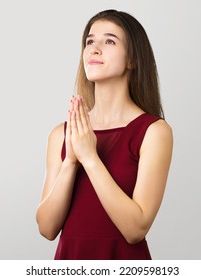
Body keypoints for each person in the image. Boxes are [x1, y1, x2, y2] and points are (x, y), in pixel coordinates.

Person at [36, 9, 173, 260]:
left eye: (109, 41)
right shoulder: (61, 134)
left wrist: (90, 158)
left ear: (132, 59)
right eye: (90, 41)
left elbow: (136, 229)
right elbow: (46, 228)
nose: (94, 49)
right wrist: (71, 161)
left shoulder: (153, 132)